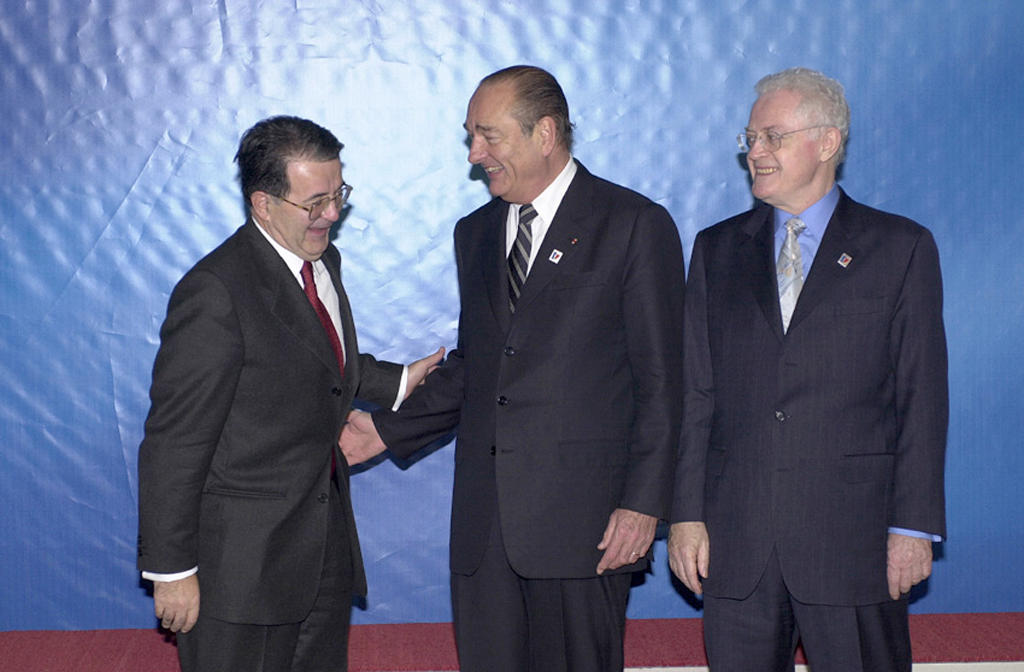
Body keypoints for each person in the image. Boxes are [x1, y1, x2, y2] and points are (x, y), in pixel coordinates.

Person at [339, 65, 686, 671]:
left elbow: (664, 381)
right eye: (471, 136)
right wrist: (385, 430)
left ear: (545, 133)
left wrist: (644, 504)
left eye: (489, 136)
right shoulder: (474, 233)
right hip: (485, 528)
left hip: (588, 530)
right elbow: (485, 365)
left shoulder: (631, 223)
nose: (475, 155)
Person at [136, 115, 442, 672]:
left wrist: (394, 382)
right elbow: (174, 441)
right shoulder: (215, 293)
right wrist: (172, 570)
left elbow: (316, 360)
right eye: (316, 201)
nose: (333, 214)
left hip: (321, 551)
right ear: (263, 204)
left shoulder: (323, 260)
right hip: (237, 576)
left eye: (339, 194)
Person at [668, 67, 948, 671]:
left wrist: (913, 528)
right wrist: (686, 514)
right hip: (736, 546)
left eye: (772, 136)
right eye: (750, 138)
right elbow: (696, 394)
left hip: (855, 544)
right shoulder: (716, 251)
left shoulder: (900, 247)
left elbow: (922, 397)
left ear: (828, 142)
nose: (755, 153)